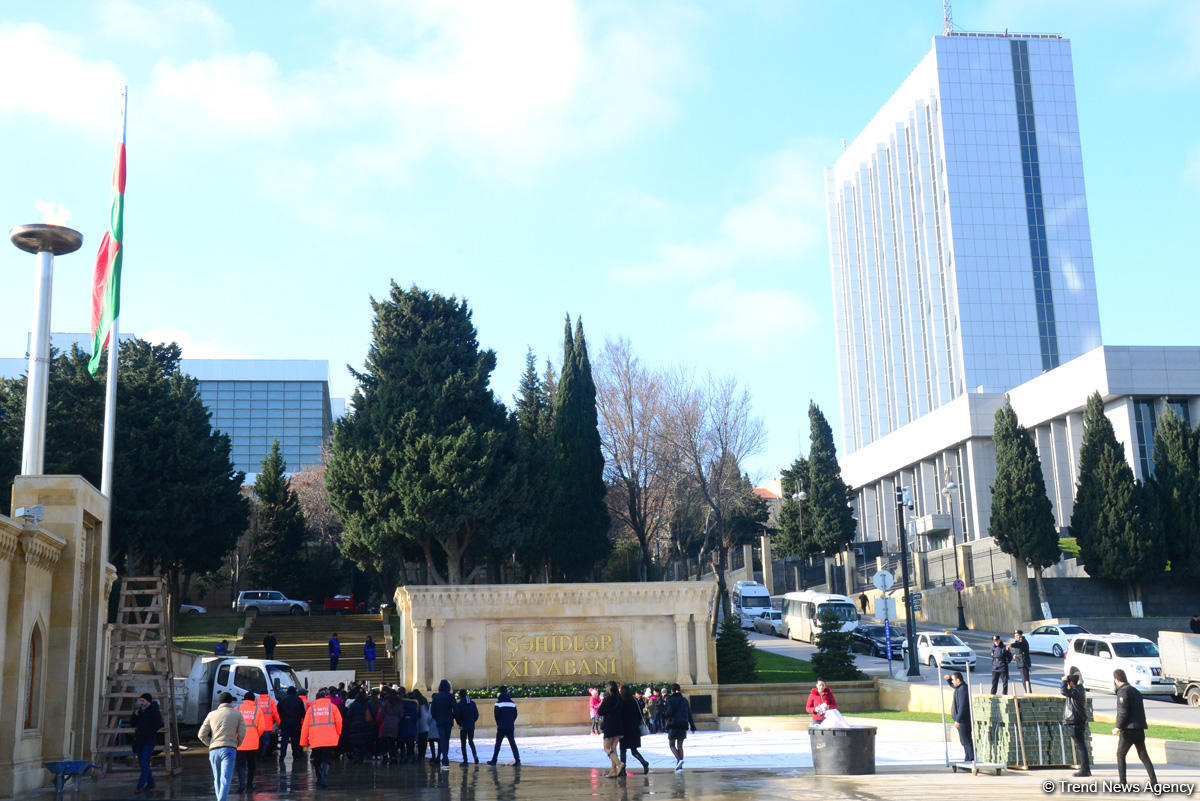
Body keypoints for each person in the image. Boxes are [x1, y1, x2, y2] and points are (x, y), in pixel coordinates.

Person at [1113, 669, 1157, 786]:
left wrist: (1118, 727)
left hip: (1128, 731)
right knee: (1143, 756)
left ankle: (1122, 783)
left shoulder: (1122, 692)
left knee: (1120, 755)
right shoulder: (1135, 691)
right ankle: (1154, 782)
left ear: (1116, 679)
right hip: (1140, 729)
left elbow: (1123, 712)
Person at [198, 692, 246, 801]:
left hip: (214, 750)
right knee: (225, 779)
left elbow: (201, 734)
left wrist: (211, 743)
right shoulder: (237, 714)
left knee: (217, 779)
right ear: (231, 702)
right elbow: (242, 732)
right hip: (229, 749)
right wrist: (237, 743)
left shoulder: (211, 714)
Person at [301, 688, 343, 788]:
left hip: (316, 740)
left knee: (316, 760)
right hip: (329, 739)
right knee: (326, 759)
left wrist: (303, 742)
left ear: (316, 699)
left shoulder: (311, 709)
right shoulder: (332, 707)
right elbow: (339, 722)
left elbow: (305, 726)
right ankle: (324, 776)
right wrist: (338, 733)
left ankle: (319, 777)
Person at [130, 692, 163, 795]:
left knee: (144, 764)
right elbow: (133, 723)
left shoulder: (153, 711)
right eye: (140, 701)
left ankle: (139, 786)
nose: (141, 703)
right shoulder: (141, 711)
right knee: (143, 764)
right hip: (140, 741)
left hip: (148, 741)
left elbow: (159, 724)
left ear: (148, 701)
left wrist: (149, 732)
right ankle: (151, 784)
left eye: (143, 701)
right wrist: (134, 716)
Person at [235, 691, 266, 793]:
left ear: (244, 700)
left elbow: (232, 725)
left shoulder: (237, 709)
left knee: (240, 765)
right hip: (253, 743)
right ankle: (249, 784)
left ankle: (241, 784)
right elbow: (262, 727)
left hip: (239, 742)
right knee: (251, 765)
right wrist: (255, 735)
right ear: (253, 700)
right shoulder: (258, 711)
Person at [1061, 672, 1090, 777]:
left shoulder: (1077, 691)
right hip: (1077, 721)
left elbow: (1063, 691)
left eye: (1068, 683)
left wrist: (1064, 681)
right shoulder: (1078, 689)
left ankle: (1085, 770)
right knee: (1081, 745)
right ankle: (1086, 769)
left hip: (1075, 721)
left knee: (1081, 746)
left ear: (1071, 683)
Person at [619, 684, 650, 775]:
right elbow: (639, 714)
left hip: (624, 729)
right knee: (634, 750)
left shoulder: (621, 701)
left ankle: (623, 770)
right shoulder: (634, 701)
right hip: (634, 729)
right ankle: (644, 762)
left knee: (623, 750)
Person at [665, 683, 695, 772]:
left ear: (672, 691)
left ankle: (679, 760)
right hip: (683, 725)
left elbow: (669, 712)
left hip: (673, 725)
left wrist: (664, 715)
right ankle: (680, 766)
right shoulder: (684, 700)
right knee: (680, 746)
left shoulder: (670, 699)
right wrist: (692, 726)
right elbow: (689, 714)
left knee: (671, 745)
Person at [487, 686, 520, 766]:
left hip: (501, 726)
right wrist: (511, 722)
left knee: (498, 744)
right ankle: (517, 761)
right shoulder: (512, 703)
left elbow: (496, 715)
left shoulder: (498, 703)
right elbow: (515, 714)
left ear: (500, 692)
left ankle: (494, 760)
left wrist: (499, 724)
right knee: (512, 744)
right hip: (510, 726)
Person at [945, 672, 974, 763]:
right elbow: (953, 686)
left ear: (958, 680)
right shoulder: (959, 687)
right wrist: (949, 679)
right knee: (963, 741)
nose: (953, 682)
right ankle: (967, 758)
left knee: (966, 740)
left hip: (963, 720)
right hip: (960, 720)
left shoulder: (963, 690)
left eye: (953, 680)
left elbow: (962, 706)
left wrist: (958, 720)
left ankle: (971, 759)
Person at [596, 681, 623, 777]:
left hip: (610, 726)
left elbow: (600, 711)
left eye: (607, 687)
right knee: (614, 749)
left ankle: (619, 764)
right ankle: (613, 770)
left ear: (610, 688)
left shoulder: (608, 699)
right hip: (619, 726)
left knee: (606, 748)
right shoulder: (620, 698)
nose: (606, 688)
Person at [341, 687, 375, 764]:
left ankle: (356, 758)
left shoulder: (353, 705)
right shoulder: (368, 704)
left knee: (355, 743)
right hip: (365, 726)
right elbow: (372, 714)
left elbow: (349, 715)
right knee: (363, 742)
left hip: (354, 726)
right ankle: (361, 758)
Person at [276, 687, 306, 764]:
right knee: (295, 741)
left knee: (284, 741)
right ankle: (295, 755)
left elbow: (278, 710)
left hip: (285, 724)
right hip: (296, 723)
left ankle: (282, 756)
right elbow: (303, 713)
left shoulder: (283, 700)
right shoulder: (298, 700)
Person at [431, 679, 455, 769]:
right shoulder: (451, 696)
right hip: (448, 721)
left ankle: (445, 758)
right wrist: (453, 716)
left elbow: (433, 710)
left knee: (442, 739)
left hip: (440, 721)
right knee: (446, 740)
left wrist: (436, 718)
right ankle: (445, 757)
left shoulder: (436, 697)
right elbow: (455, 708)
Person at [454, 689, 480, 764]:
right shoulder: (472, 703)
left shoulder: (460, 704)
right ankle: (475, 757)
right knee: (471, 741)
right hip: (471, 725)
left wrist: (459, 723)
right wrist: (472, 721)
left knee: (463, 743)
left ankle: (465, 760)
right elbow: (476, 715)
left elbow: (457, 715)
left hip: (463, 726)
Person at [254, 690, 280, 758]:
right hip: (267, 726)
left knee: (258, 741)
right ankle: (263, 755)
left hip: (258, 725)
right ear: (267, 694)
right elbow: (275, 714)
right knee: (266, 741)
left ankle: (258, 755)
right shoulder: (271, 701)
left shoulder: (256, 701)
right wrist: (278, 723)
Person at [400, 690, 419, 762]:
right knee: (410, 743)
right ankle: (411, 756)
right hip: (411, 727)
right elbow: (416, 718)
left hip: (403, 727)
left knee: (402, 742)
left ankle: (403, 757)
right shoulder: (414, 705)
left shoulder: (402, 705)